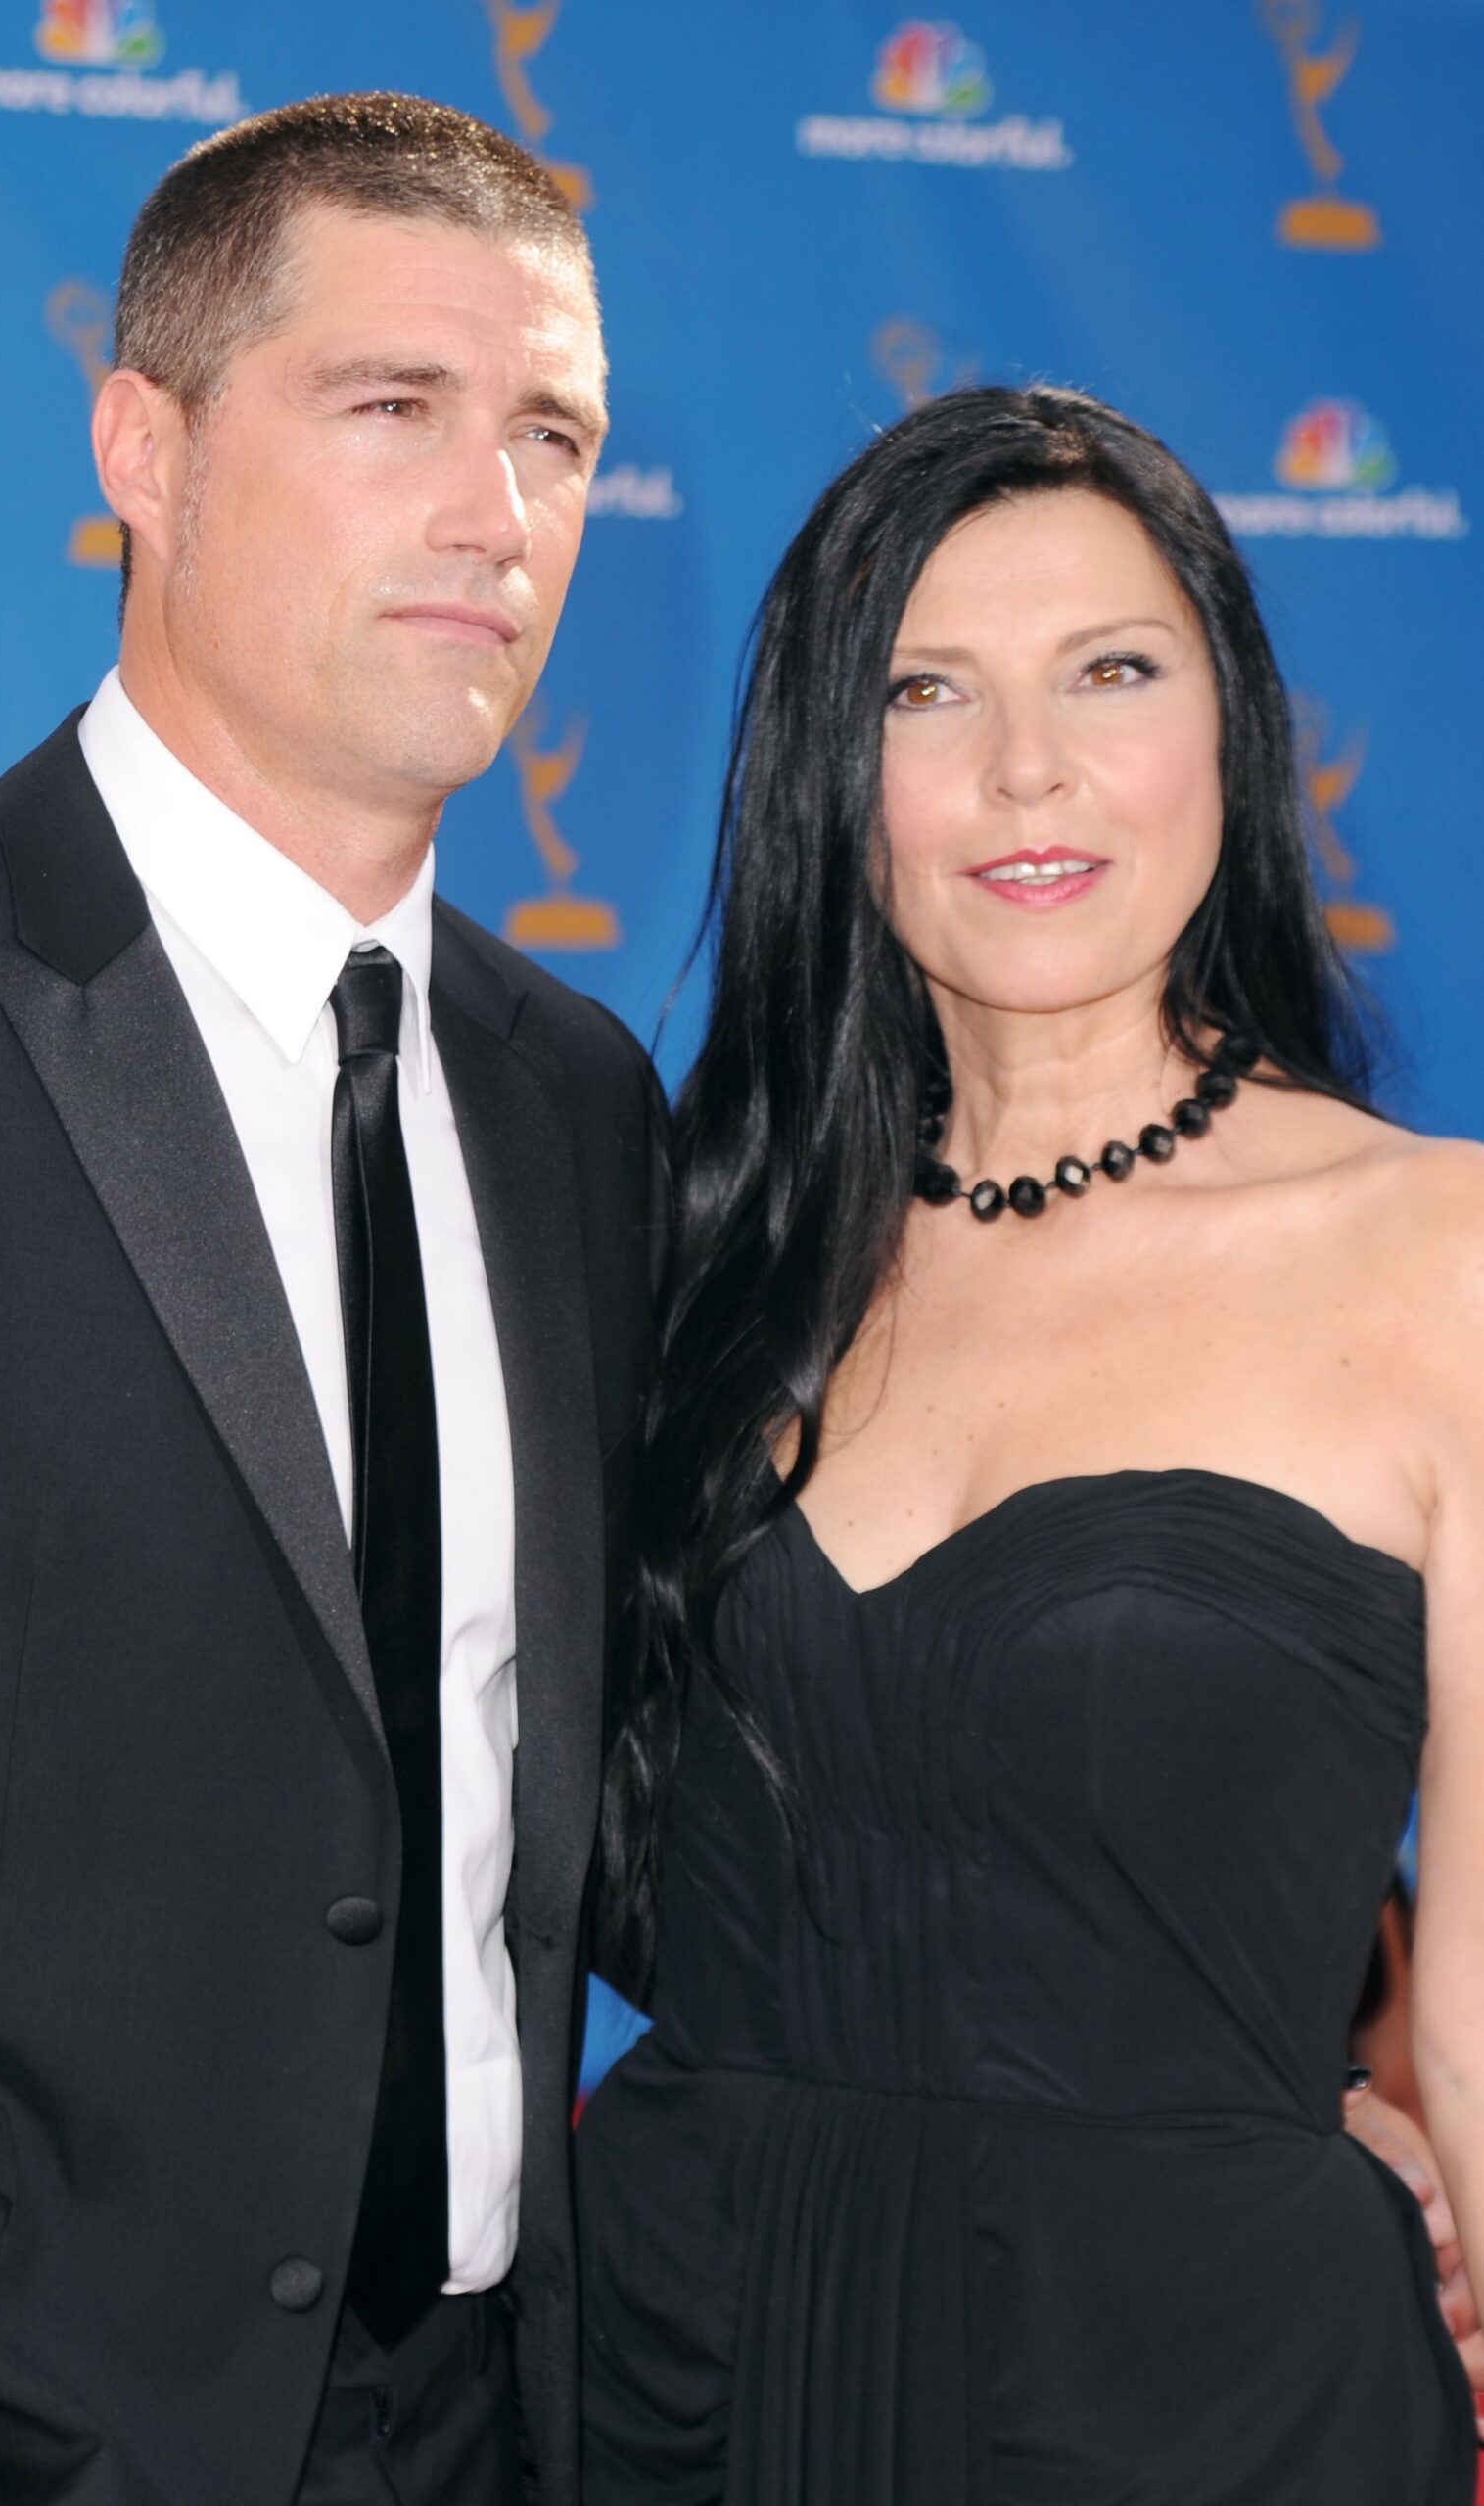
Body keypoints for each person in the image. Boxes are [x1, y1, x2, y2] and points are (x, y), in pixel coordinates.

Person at [0, 94, 664, 2506]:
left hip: (482, 2431)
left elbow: (587, 1808)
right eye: (395, 409)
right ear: (140, 444)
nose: (497, 512)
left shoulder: (577, 1102)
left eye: (551, 433)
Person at [580, 384, 1484, 2502]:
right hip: (680, 2373)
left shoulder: (1439, 1251)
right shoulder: (678, 1242)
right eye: (924, 689)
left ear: (1227, 727)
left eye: (1109, 670)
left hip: (1215, 2397)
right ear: (828, 771)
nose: (1026, 770)